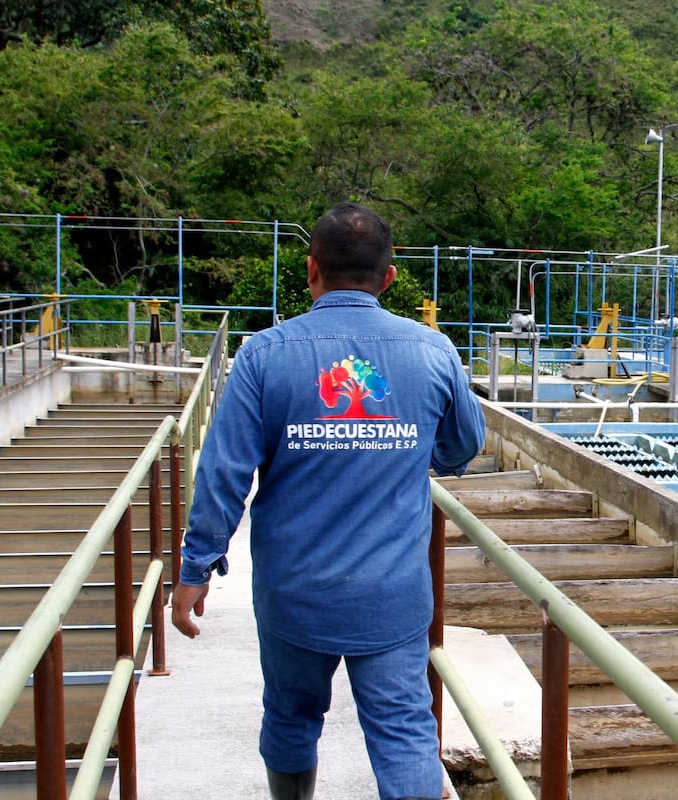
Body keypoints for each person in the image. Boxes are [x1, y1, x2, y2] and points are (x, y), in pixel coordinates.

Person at [171, 202, 486, 800]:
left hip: (295, 592)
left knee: (290, 718)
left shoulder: (263, 355)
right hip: (392, 595)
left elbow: (223, 474)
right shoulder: (433, 350)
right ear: (389, 277)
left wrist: (195, 568)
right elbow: (460, 448)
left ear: (311, 270)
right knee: (404, 732)